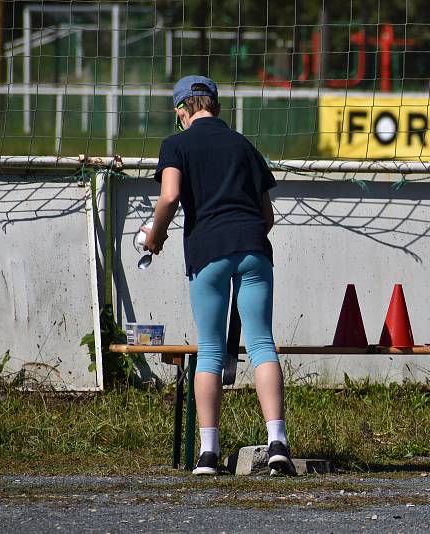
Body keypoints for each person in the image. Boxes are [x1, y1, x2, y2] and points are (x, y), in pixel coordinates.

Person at [142, 75, 295, 476]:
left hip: (207, 250)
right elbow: (267, 216)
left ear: (181, 111)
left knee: (210, 350)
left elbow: (171, 196)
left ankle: (208, 453)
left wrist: (154, 238)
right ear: (217, 106)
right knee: (262, 343)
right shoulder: (244, 145)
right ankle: (277, 443)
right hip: (253, 247)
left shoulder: (176, 145)